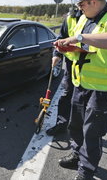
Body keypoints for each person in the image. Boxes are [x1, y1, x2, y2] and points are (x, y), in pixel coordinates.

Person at [53, 0, 107, 180]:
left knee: (92, 131)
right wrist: (65, 49)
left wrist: (80, 38)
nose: (79, 8)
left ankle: (86, 171)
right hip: (81, 83)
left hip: (103, 87)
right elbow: (82, 47)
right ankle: (76, 156)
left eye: (81, 4)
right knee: (76, 125)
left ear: (93, 1)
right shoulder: (84, 18)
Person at [46, 7, 82, 136]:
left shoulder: (99, 17)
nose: (80, 6)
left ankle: (80, 130)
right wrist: (57, 54)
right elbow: (62, 38)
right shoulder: (70, 18)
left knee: (83, 101)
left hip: (92, 67)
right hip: (71, 66)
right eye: (79, 3)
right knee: (66, 96)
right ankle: (62, 125)